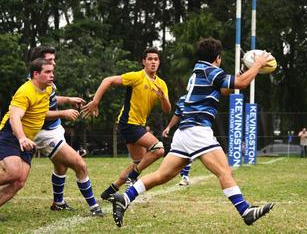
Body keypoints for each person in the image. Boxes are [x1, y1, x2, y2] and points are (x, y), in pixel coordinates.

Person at [110, 38, 274, 227]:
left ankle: (125, 198)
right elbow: (241, 84)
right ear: (218, 58)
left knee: (162, 175)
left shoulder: (201, 71)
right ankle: (245, 211)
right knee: (224, 171)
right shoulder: (210, 70)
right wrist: (258, 65)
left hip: (185, 132)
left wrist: (246, 70)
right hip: (197, 130)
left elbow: (225, 89)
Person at [81, 47, 171, 199]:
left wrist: (163, 98)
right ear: (144, 62)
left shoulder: (161, 84)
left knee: (139, 161)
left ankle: (111, 190)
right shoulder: (136, 77)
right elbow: (107, 80)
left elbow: (167, 110)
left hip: (138, 125)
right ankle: (133, 176)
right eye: (150, 59)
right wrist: (95, 101)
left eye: (156, 59)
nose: (153, 62)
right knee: (159, 149)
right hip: (128, 123)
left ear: (159, 62)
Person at [29, 46, 103, 216]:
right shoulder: (32, 84)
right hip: (45, 134)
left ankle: (58, 203)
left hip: (54, 129)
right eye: (49, 60)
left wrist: (68, 99)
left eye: (54, 60)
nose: (54, 63)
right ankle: (94, 208)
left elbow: (51, 99)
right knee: (80, 164)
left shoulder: (46, 78)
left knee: (61, 166)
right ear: (38, 64)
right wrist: (64, 112)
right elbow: (37, 112)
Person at [0, 58, 54, 207]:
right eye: (47, 72)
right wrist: (21, 138)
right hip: (11, 134)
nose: (52, 75)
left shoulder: (48, 89)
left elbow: (42, 110)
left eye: (52, 72)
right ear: (36, 74)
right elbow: (14, 117)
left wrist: (68, 101)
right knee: (13, 172)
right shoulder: (25, 91)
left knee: (19, 181)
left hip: (28, 139)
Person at [162, 95, 192, 186]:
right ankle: (183, 174)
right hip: (181, 131)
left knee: (188, 154)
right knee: (175, 153)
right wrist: (169, 127)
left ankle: (184, 176)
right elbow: (177, 115)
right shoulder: (183, 99)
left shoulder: (204, 97)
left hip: (195, 131)